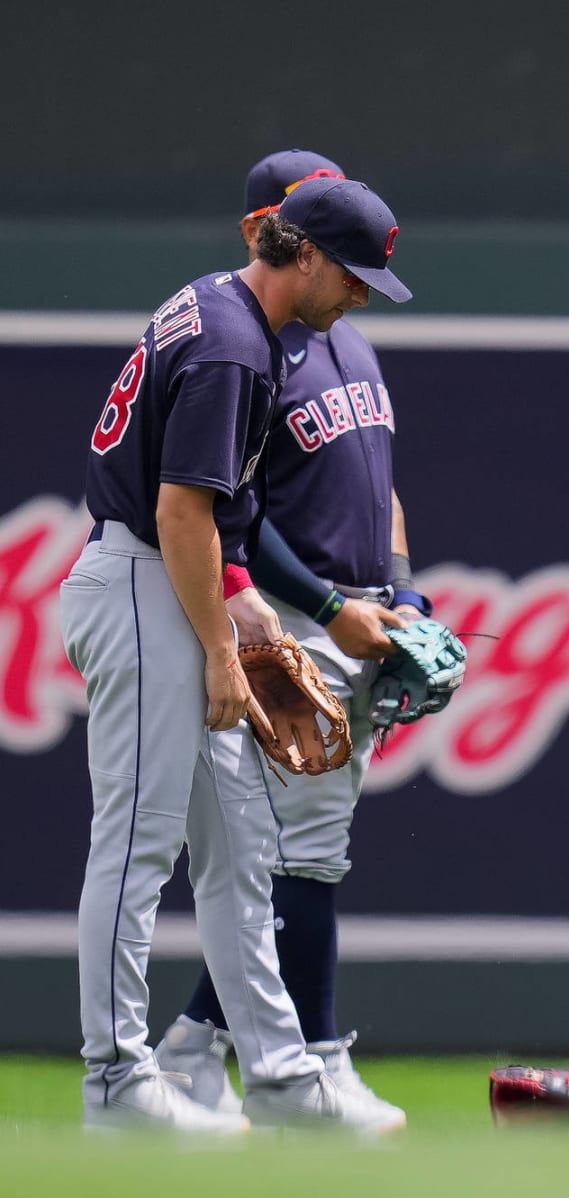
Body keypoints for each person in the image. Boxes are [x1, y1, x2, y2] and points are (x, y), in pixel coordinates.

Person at [60, 174, 413, 1134]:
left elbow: (216, 514)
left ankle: (286, 1079)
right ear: (302, 252)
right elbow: (180, 510)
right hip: (144, 583)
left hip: (177, 583)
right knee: (136, 849)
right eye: (353, 275)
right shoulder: (235, 347)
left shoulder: (222, 311)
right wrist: (222, 646)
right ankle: (116, 1086)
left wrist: (244, 602)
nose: (358, 296)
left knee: (245, 849)